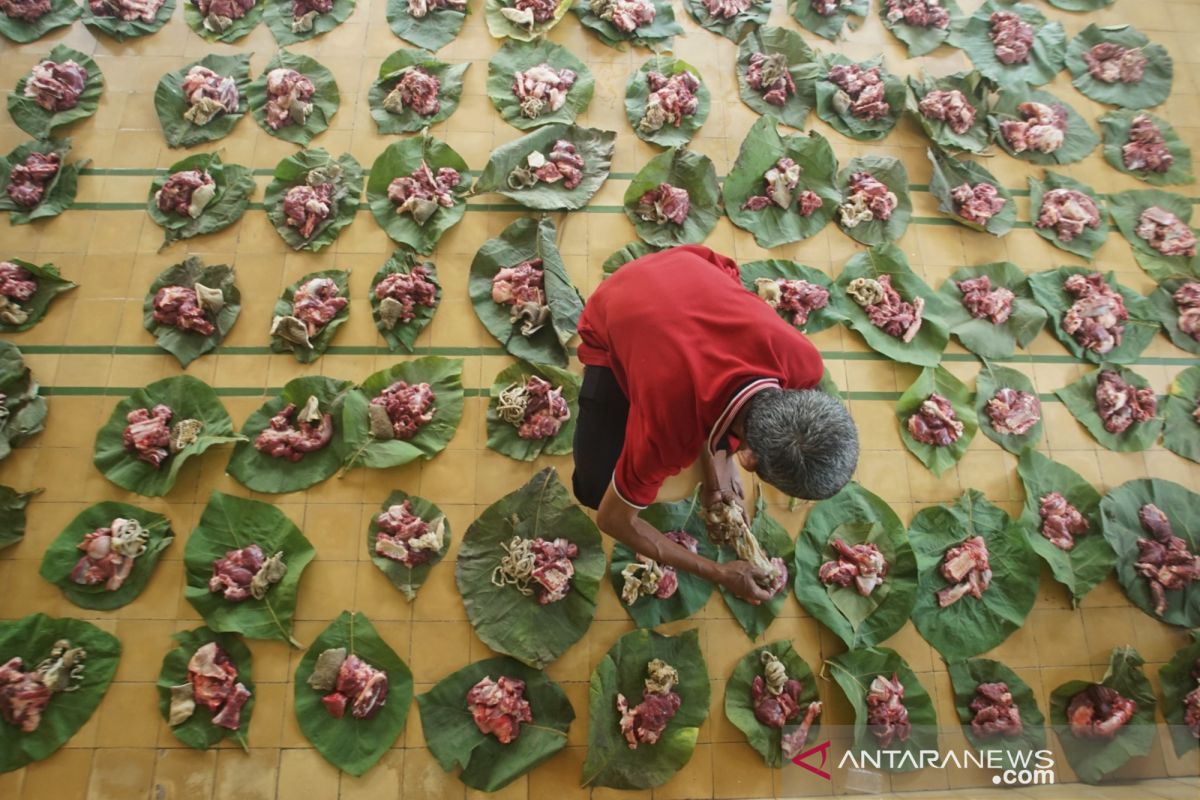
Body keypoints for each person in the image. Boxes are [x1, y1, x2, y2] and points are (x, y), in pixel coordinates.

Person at [571, 245, 859, 604]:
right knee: (593, 489)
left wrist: (715, 471)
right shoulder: (667, 433)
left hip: (686, 266)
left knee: (698, 389)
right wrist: (719, 572)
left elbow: (726, 394)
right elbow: (614, 520)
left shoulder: (803, 360)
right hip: (614, 304)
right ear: (749, 459)